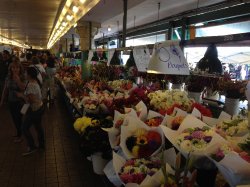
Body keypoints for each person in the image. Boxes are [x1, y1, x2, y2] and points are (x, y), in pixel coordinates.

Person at [16, 67, 45, 155]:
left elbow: (30, 100)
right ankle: (41, 145)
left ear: (29, 75)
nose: (24, 74)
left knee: (24, 128)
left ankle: (32, 146)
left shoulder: (31, 84)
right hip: (39, 107)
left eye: (26, 73)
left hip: (34, 110)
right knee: (38, 127)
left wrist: (21, 96)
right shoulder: (34, 82)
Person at [0, 57, 26, 142]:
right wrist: (2, 100)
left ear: (20, 68)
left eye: (17, 67)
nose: (15, 69)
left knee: (19, 118)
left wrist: (18, 80)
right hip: (11, 101)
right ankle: (19, 132)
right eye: (13, 67)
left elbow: (23, 89)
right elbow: (5, 89)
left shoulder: (22, 77)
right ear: (10, 68)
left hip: (20, 102)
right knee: (14, 119)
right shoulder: (8, 77)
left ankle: (20, 135)